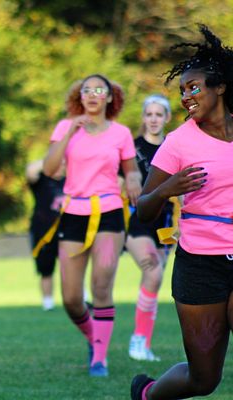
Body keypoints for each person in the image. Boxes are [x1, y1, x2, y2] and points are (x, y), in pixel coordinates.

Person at [131, 25, 233, 400]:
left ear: (219, 86)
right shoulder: (178, 143)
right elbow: (143, 209)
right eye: (182, 91)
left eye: (194, 88)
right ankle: (148, 394)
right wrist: (166, 190)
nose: (187, 97)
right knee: (203, 380)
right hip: (200, 264)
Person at [42, 74, 142, 377]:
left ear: (110, 97)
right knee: (71, 298)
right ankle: (94, 337)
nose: (93, 95)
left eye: (100, 90)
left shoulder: (121, 133)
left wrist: (135, 183)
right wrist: (71, 131)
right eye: (87, 90)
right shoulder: (65, 126)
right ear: (80, 96)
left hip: (110, 212)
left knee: (101, 285)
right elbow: (49, 169)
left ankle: (100, 359)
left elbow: (132, 171)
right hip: (74, 214)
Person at [126, 94, 173, 362]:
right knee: (152, 271)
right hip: (137, 221)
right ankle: (137, 340)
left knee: (153, 282)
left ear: (166, 117)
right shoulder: (131, 149)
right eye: (149, 114)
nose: (154, 119)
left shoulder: (174, 146)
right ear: (143, 117)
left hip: (166, 224)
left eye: (159, 114)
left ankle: (143, 342)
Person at [26, 159, 65, 311]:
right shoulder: (41, 181)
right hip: (43, 232)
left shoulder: (70, 181)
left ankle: (82, 298)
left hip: (66, 231)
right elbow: (30, 171)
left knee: (72, 267)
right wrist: (54, 155)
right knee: (46, 269)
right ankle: (48, 303)